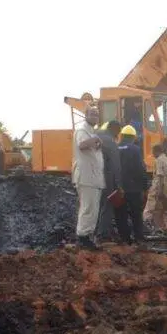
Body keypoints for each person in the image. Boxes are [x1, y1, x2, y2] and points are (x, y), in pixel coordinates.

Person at [72, 107, 105, 249]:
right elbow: (82, 145)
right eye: (92, 114)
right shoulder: (82, 130)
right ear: (85, 115)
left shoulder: (91, 131)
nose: (95, 117)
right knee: (88, 207)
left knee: (93, 208)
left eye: (97, 115)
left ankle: (88, 236)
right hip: (86, 177)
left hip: (94, 178)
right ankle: (83, 237)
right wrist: (95, 139)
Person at [116, 125, 149, 245]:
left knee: (120, 214)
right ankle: (139, 239)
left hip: (118, 189)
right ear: (134, 137)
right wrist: (145, 187)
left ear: (122, 136)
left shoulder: (116, 147)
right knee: (136, 214)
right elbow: (140, 169)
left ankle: (125, 239)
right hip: (134, 188)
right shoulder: (135, 149)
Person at [95, 121, 123, 240]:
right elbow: (115, 165)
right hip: (106, 178)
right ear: (116, 130)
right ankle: (103, 234)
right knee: (107, 205)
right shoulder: (110, 142)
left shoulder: (95, 134)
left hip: (90, 178)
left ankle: (91, 232)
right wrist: (118, 185)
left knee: (94, 206)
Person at [149, 142, 167, 232]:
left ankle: (159, 230)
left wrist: (160, 192)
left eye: (153, 152)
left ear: (157, 151)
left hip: (163, 190)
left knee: (157, 210)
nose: (152, 155)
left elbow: (160, 176)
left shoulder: (158, 160)